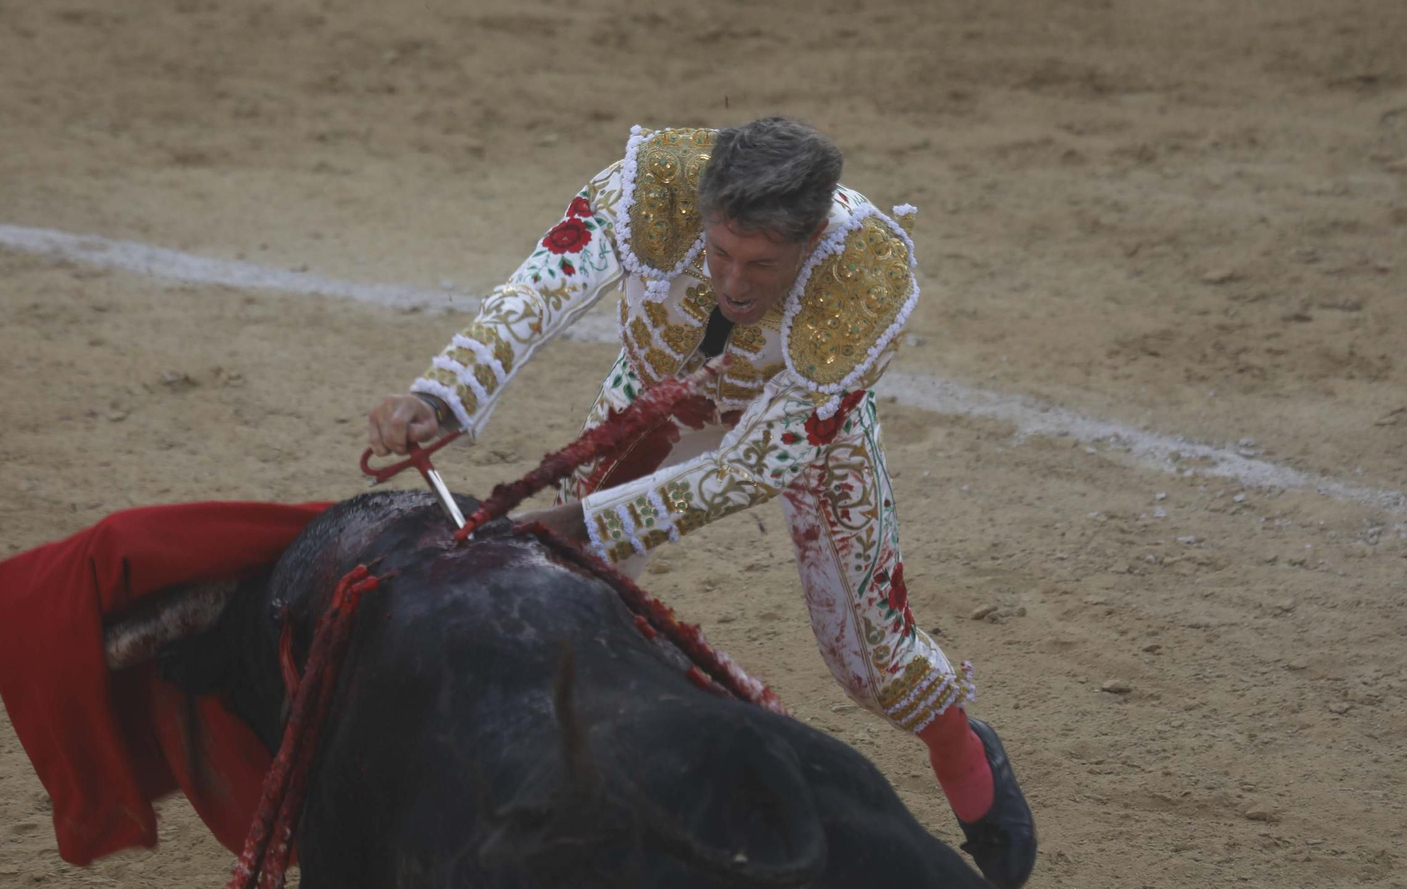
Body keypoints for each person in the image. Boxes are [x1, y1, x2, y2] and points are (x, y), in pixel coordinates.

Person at [367, 117, 1036, 888]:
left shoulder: (866, 272)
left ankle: (962, 748)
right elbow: (539, 289)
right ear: (703, 207)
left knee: (871, 660)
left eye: (761, 262)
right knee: (563, 592)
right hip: (653, 397)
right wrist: (441, 395)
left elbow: (756, 464)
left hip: (808, 427)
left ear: (813, 233)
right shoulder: (654, 185)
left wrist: (584, 516)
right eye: (719, 251)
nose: (733, 282)